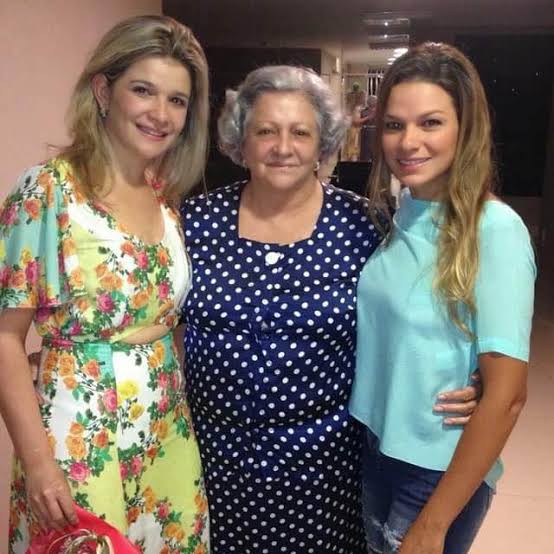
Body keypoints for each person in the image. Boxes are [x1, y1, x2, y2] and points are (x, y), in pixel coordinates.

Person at [180, 64, 480, 554]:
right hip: (212, 462)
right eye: (265, 131)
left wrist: (472, 373)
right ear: (240, 140)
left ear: (323, 143)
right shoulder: (194, 223)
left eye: (301, 132)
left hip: (326, 471)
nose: (283, 147)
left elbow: (414, 310)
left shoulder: (366, 225)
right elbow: (155, 315)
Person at [0, 15, 210, 553]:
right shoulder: (49, 190)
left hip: (165, 433)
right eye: (143, 90)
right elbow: (4, 338)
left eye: (177, 100)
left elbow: (166, 323)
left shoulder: (164, 197)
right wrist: (40, 463)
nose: (161, 113)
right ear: (102, 91)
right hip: (81, 437)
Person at [349, 42, 536, 554]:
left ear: (465, 128)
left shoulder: (494, 229)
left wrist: (433, 525)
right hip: (377, 448)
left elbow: (508, 396)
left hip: (436, 469)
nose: (408, 142)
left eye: (430, 123)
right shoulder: (400, 214)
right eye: (394, 125)